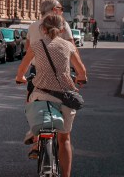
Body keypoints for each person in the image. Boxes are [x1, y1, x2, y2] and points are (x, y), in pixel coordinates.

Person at [16, 12, 87, 177]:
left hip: (42, 95)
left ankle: (36, 136)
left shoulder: (36, 45)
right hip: (65, 97)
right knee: (65, 139)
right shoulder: (69, 46)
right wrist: (81, 80)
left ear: (42, 29)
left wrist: (20, 78)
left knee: (31, 104)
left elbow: (23, 67)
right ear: (62, 29)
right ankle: (66, 175)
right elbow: (81, 71)